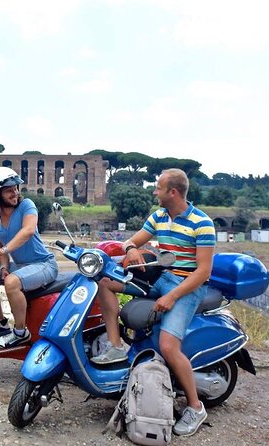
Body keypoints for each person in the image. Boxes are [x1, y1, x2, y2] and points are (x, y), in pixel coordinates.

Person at [91, 168, 216, 437]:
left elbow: (203, 272)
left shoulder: (202, 223)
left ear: (172, 192)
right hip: (163, 277)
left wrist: (172, 296)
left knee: (169, 346)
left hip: (187, 287)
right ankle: (115, 347)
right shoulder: (159, 216)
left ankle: (195, 407)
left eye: (158, 188)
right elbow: (131, 241)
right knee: (105, 283)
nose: (154, 192)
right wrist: (132, 249)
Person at [0, 167, 59, 348]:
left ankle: (21, 332)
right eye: (9, 190)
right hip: (21, 266)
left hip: (43, 264)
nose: (15, 193)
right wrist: (5, 267)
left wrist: (4, 250)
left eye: (15, 188)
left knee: (12, 283)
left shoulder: (27, 205)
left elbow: (28, 230)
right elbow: (1, 249)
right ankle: (0, 323)